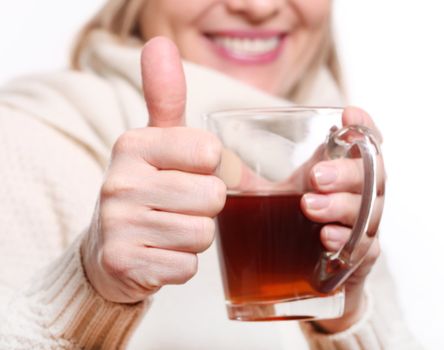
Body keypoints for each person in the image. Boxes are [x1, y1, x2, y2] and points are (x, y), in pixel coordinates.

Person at [0, 0, 420, 349]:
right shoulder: (25, 142)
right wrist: (89, 289)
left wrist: (343, 313)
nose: (258, 7)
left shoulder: (337, 163)